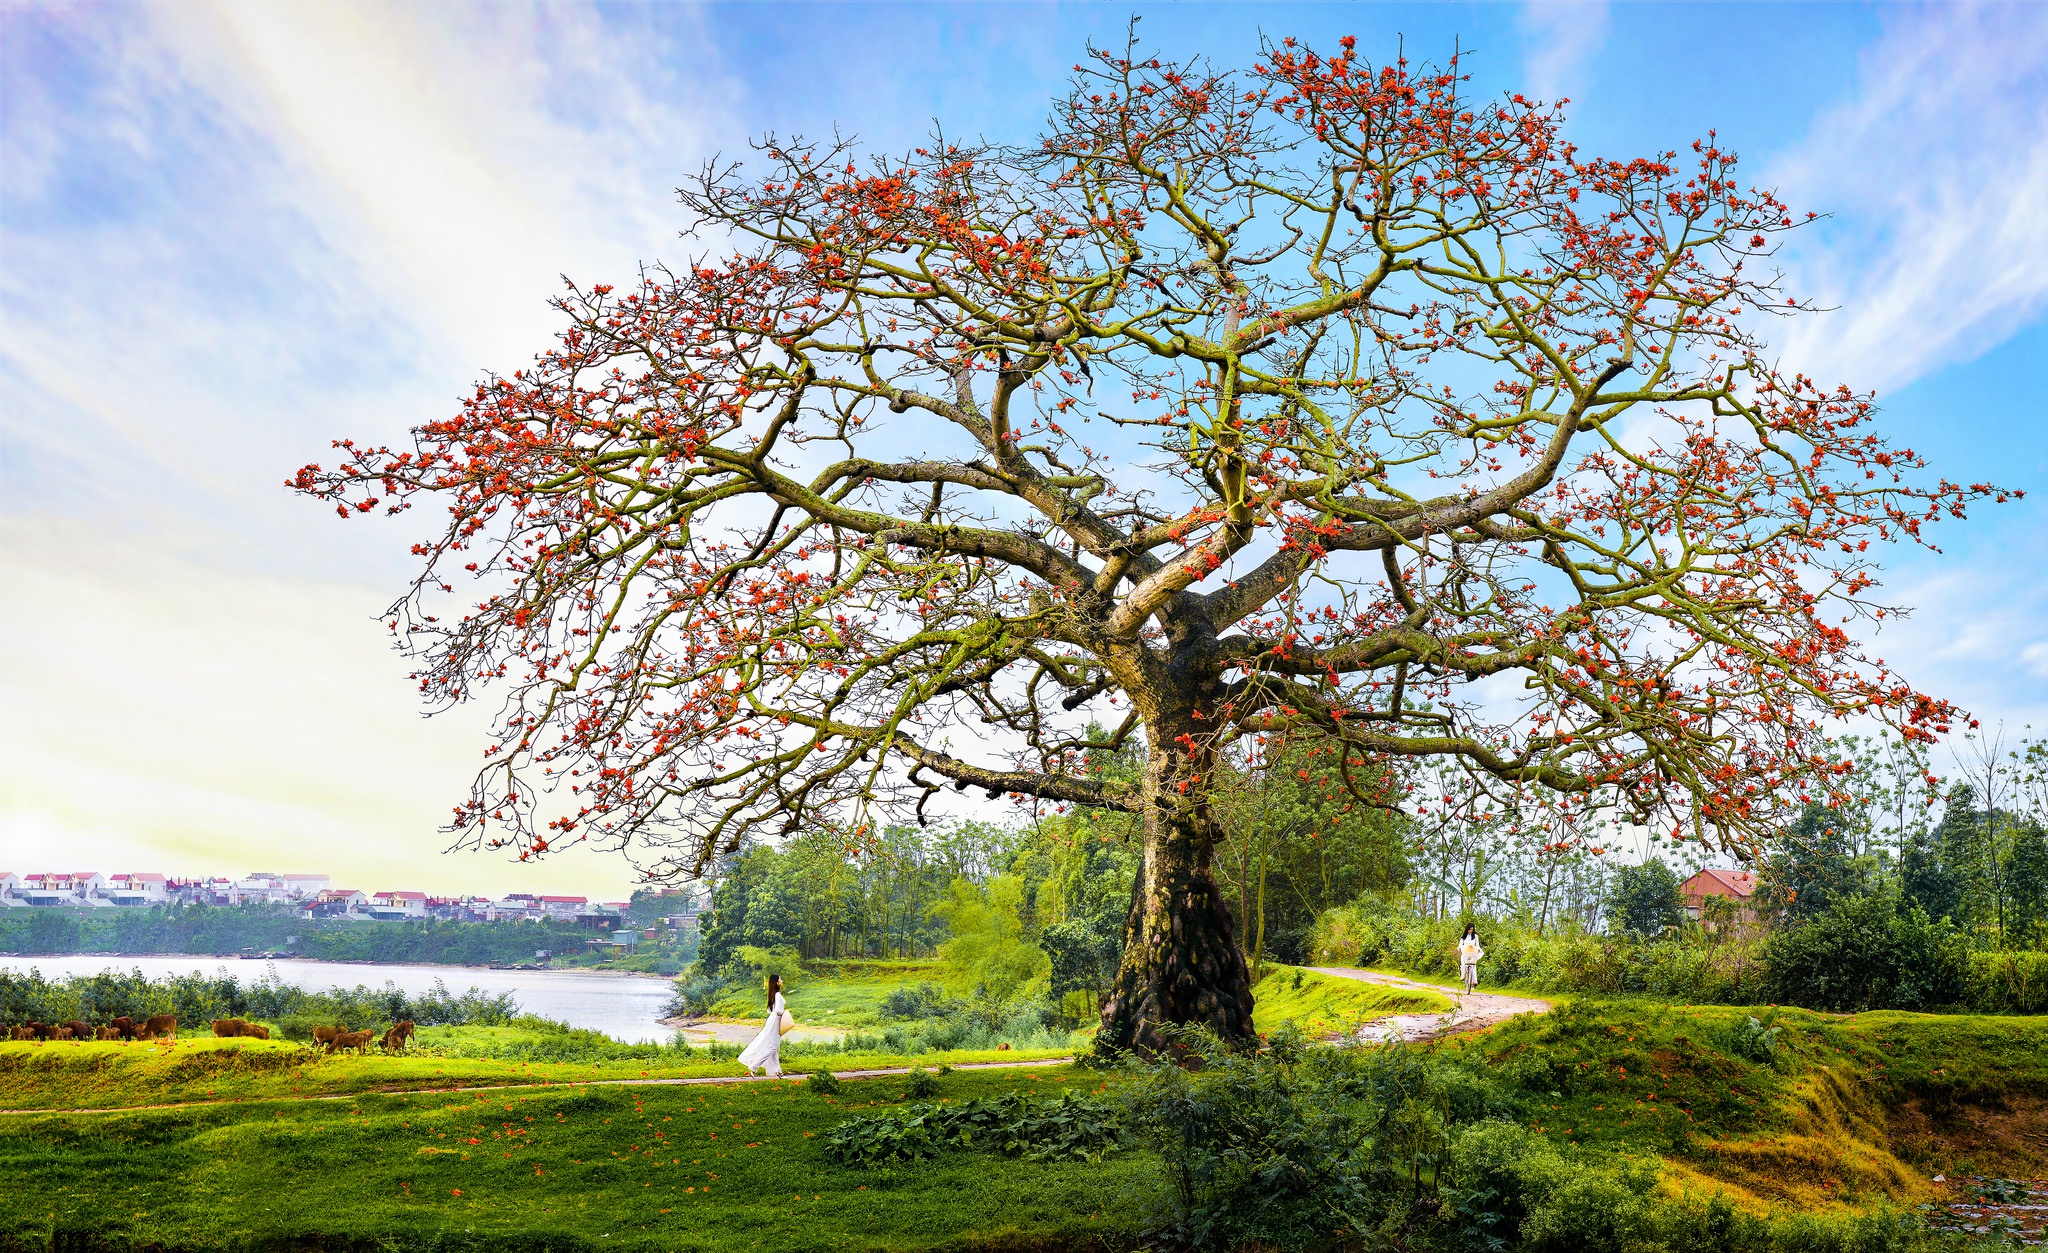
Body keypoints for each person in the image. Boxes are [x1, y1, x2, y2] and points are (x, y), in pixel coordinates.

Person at [737, 973, 789, 1077]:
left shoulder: (773, 994)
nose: (782, 981)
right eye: (780, 979)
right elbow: (778, 1010)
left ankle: (779, 1072)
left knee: (774, 1047)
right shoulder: (777, 994)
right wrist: (784, 1014)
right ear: (777, 982)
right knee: (773, 1047)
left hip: (773, 1019)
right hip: (776, 1020)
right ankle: (754, 1066)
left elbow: (769, 1010)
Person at [1457, 923, 1484, 995]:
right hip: (1465, 953)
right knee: (1463, 965)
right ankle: (1463, 976)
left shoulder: (1475, 936)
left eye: (1472, 929)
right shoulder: (1463, 936)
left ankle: (1474, 982)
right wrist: (1459, 948)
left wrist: (1480, 950)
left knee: (1473, 966)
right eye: (1470, 929)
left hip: (1472, 953)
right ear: (1467, 929)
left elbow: (1477, 946)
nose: (1471, 931)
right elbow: (1460, 945)